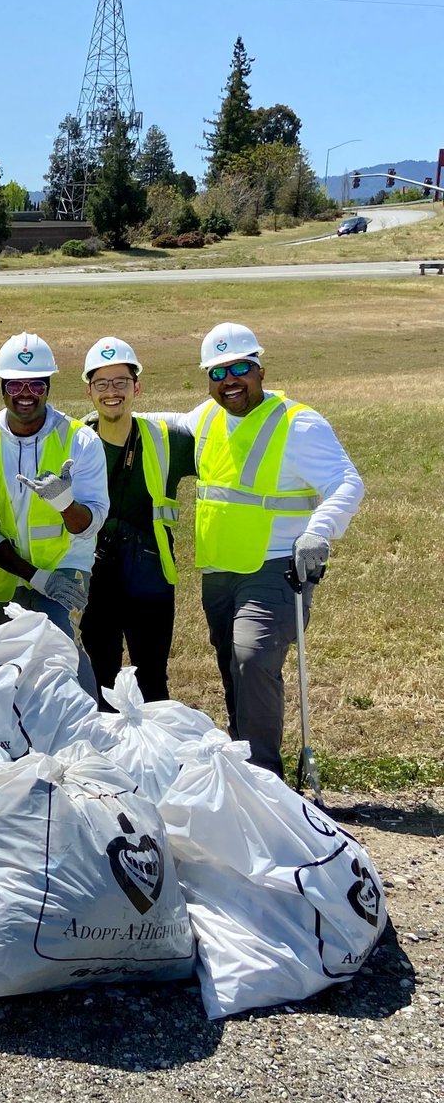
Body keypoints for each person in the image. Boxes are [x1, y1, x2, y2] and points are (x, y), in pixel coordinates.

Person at [166, 322, 364, 777]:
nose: (229, 380)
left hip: (276, 568)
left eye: (239, 368)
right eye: (217, 372)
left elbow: (346, 482)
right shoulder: (207, 417)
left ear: (259, 368)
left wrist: (320, 531)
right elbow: (163, 426)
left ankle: (266, 780)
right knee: (232, 667)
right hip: (220, 570)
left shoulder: (299, 424)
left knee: (253, 661)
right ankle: (245, 767)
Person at [0, 333, 108, 699]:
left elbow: (92, 522)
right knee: (5, 662)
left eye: (35, 384)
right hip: (6, 571)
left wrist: (65, 504)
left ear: (48, 387)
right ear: (2, 388)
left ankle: (88, 727)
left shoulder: (81, 441)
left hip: (65, 564)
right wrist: (33, 576)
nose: (25, 392)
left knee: (58, 645)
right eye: (15, 383)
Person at [78, 337, 196, 707]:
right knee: (101, 678)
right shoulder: (74, 442)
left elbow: (226, 432)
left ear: (137, 388)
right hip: (96, 578)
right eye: (102, 384)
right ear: (89, 392)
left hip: (151, 577)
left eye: (121, 383)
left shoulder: (167, 439)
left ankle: (159, 757)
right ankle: (109, 760)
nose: (112, 392)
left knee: (153, 680)